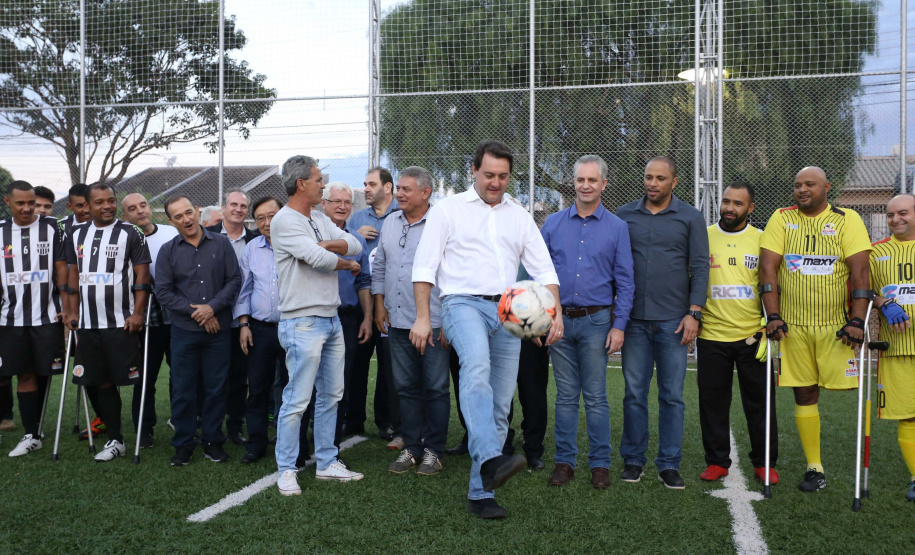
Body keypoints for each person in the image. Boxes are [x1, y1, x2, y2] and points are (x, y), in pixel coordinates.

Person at [411, 140, 561, 519]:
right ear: (473, 171)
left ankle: (482, 493)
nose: (496, 183)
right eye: (489, 174)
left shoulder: (519, 215)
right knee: (475, 369)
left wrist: (552, 313)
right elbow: (424, 268)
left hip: (511, 306)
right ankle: (493, 459)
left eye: (503, 176)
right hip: (461, 303)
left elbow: (543, 270)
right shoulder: (447, 210)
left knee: (499, 403)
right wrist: (424, 317)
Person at [760, 166, 872, 492]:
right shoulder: (781, 218)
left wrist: (857, 320)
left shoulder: (847, 219)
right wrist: (773, 315)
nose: (802, 189)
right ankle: (815, 468)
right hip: (792, 328)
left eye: (810, 184)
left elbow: (861, 272)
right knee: (804, 392)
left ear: (827, 186)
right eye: (797, 185)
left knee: (852, 393)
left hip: (836, 328)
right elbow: (768, 268)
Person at [272, 155, 365, 496]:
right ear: (301, 184)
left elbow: (356, 243)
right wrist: (346, 263)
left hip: (331, 319)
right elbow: (320, 260)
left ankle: (326, 462)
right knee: (297, 399)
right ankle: (286, 469)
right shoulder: (285, 220)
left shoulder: (317, 217)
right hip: (302, 320)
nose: (322, 184)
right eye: (318, 179)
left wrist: (328, 245)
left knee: (332, 395)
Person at [541, 155, 635, 489]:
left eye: (592, 180)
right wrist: (544, 319)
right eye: (580, 179)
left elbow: (625, 282)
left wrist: (619, 325)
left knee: (596, 397)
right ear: (574, 182)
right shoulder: (551, 224)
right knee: (565, 397)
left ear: (603, 184)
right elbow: (539, 275)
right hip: (559, 323)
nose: (585, 185)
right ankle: (565, 462)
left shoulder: (617, 228)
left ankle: (600, 465)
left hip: (597, 323)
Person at [616, 156, 709, 490]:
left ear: (674, 181)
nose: (652, 183)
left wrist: (694, 312)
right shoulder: (624, 215)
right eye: (648, 177)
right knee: (633, 394)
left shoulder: (691, 218)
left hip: (674, 321)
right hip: (634, 323)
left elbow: (700, 267)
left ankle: (669, 464)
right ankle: (633, 460)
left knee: (671, 396)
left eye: (660, 178)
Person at [62, 183, 151, 462]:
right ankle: (116, 439)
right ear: (87, 206)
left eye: (111, 200)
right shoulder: (75, 233)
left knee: (132, 379)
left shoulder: (131, 232)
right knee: (100, 382)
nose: (107, 206)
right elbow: (73, 275)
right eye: (99, 202)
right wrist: (72, 311)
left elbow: (142, 277)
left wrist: (137, 313)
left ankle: (145, 431)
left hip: (121, 323)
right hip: (88, 324)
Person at [696, 182, 778, 484]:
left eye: (738, 204)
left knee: (760, 403)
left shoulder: (763, 240)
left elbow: (771, 285)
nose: (730, 208)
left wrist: (768, 321)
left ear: (751, 208)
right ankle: (717, 461)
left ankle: (764, 462)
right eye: (726, 201)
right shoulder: (703, 237)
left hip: (752, 337)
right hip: (711, 336)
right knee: (712, 403)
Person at [374, 166, 450, 476]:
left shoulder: (442, 223)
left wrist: (446, 319)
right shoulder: (390, 222)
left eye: (406, 189)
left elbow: (450, 273)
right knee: (405, 387)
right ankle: (411, 448)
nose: (399, 194)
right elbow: (380, 266)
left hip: (433, 321)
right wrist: (379, 305)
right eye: (398, 188)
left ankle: (433, 451)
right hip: (397, 320)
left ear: (425, 192)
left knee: (436, 387)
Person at [156, 195, 241, 466]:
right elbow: (163, 292)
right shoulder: (168, 251)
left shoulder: (222, 243)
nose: (186, 219)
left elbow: (234, 280)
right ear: (170, 221)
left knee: (216, 388)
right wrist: (200, 313)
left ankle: (213, 442)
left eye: (188, 212)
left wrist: (212, 308)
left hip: (218, 332)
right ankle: (183, 444)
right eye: (178, 216)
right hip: (184, 331)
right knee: (183, 389)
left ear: (198, 210)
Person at [1, 181, 69, 457]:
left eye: (31, 202)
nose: (28, 208)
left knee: (45, 373)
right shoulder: (1, 232)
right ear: (8, 203)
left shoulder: (52, 228)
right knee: (24, 374)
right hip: (10, 319)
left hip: (48, 317)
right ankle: (32, 435)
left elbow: (63, 269)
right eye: (21, 203)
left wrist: (67, 305)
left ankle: (37, 428)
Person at [120, 193, 179, 448]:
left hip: (176, 313)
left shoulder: (171, 232)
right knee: (145, 377)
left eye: (143, 205)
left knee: (181, 373)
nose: (140, 211)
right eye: (132, 209)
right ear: (126, 216)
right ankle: (144, 429)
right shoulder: (123, 237)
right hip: (146, 315)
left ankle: (181, 421)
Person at [235, 196, 290, 464]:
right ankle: (256, 444)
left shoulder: (296, 244)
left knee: (292, 388)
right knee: (257, 388)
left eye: (272, 216)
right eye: (260, 218)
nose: (267, 222)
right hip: (260, 329)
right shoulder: (251, 249)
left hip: (293, 327)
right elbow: (244, 291)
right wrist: (243, 324)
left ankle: (291, 443)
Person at [867, 193, 915, 501]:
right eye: (890, 214)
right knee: (909, 415)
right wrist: (882, 302)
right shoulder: (876, 252)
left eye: (903, 213)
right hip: (896, 347)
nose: (895, 219)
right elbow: (861, 287)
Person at [348, 166, 400, 441]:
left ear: (388, 187)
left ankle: (386, 421)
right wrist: (356, 233)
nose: (366, 189)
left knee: (389, 365)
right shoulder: (357, 218)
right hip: (360, 301)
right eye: (365, 184)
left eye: (371, 184)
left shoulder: (400, 215)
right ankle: (353, 419)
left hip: (391, 304)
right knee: (356, 362)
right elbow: (344, 248)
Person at [206, 189, 259, 445]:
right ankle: (208, 427)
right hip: (213, 317)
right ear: (224, 207)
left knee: (239, 376)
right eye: (234, 204)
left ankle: (235, 426)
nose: (238, 209)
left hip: (243, 319)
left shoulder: (256, 239)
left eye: (243, 206)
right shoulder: (208, 235)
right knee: (212, 377)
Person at [322, 182, 372, 447]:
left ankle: (332, 438)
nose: (342, 206)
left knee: (341, 379)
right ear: (323, 204)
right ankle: (307, 437)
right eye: (336, 201)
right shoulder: (311, 236)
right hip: (317, 316)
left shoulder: (357, 240)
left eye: (347, 202)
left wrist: (366, 317)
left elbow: (363, 281)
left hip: (348, 318)